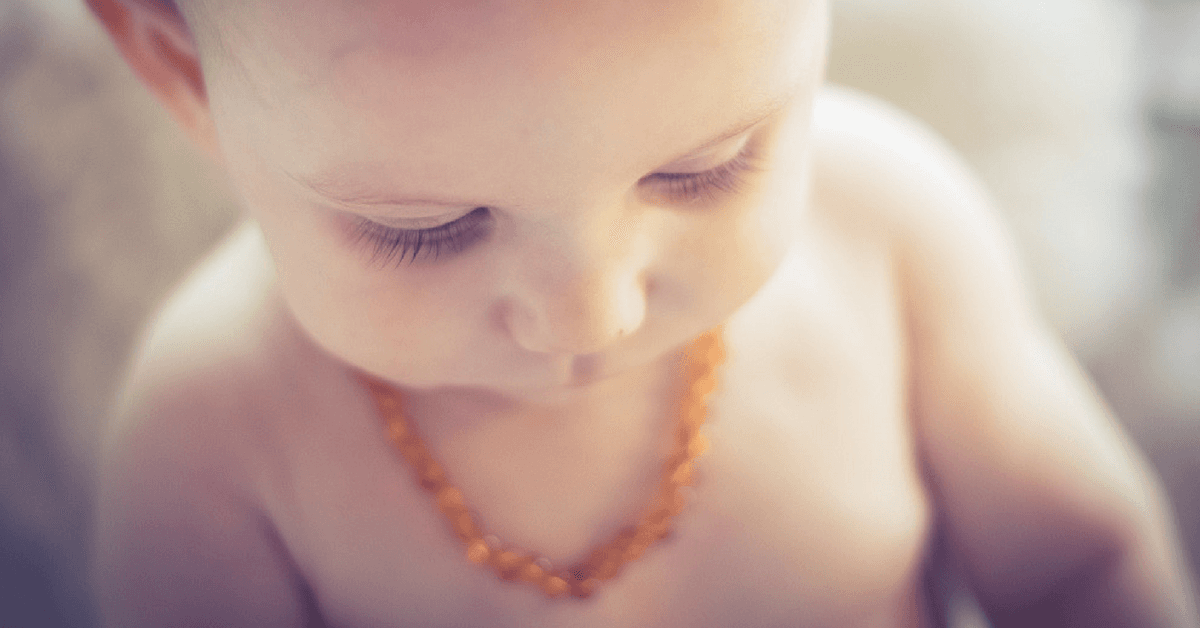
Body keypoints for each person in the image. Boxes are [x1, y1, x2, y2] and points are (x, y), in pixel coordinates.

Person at [84, 0, 1200, 625]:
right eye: (425, 227)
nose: (591, 315)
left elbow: (1080, 565)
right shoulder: (214, 434)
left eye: (706, 168)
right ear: (178, 70)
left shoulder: (887, 229)